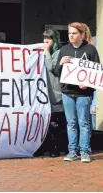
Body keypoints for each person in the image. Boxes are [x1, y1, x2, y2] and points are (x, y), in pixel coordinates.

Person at [54, 22, 100, 163]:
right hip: (68, 92)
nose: (71, 36)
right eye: (69, 33)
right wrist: (61, 63)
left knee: (84, 123)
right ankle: (72, 151)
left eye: (74, 33)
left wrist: (87, 84)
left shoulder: (91, 50)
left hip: (83, 95)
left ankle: (84, 151)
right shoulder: (64, 50)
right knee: (71, 123)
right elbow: (56, 72)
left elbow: (97, 73)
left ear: (82, 34)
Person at [37, 29, 67, 157]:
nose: (45, 42)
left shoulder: (58, 53)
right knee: (47, 123)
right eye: (44, 39)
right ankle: (48, 146)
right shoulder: (43, 52)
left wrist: (47, 51)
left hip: (56, 94)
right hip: (45, 93)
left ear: (54, 40)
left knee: (57, 123)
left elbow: (51, 67)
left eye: (48, 39)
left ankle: (57, 147)